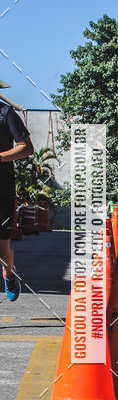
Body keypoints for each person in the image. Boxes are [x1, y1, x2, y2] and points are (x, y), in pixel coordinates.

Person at [0, 101, 34, 301]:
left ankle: (9, 274)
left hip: (2, 191)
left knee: (2, 250)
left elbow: (27, 148)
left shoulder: (5, 113)